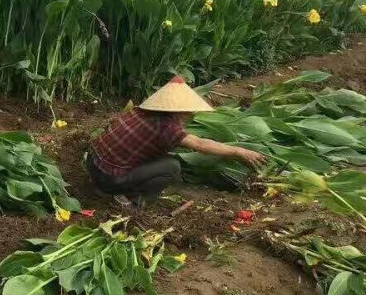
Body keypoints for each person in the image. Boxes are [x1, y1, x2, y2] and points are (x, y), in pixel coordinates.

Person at [86, 76, 265, 204]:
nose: (189, 115)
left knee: (156, 157)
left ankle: (103, 187)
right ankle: (134, 200)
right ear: (177, 109)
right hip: (109, 178)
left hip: (92, 164)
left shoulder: (140, 111)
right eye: (187, 111)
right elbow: (199, 145)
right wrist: (238, 150)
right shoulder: (166, 127)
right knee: (172, 166)